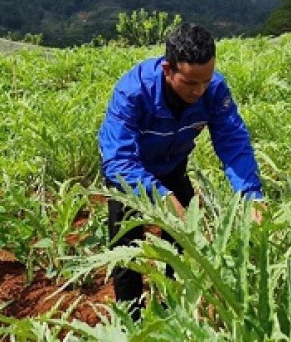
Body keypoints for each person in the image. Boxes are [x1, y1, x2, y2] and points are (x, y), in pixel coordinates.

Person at [98, 23, 263, 313]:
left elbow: (233, 143)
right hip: (128, 176)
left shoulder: (214, 90)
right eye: (190, 83)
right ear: (167, 70)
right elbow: (118, 159)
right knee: (127, 249)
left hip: (172, 168)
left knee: (184, 238)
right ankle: (131, 320)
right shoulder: (133, 92)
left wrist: (251, 195)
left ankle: (175, 308)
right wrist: (159, 195)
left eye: (205, 81)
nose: (199, 91)